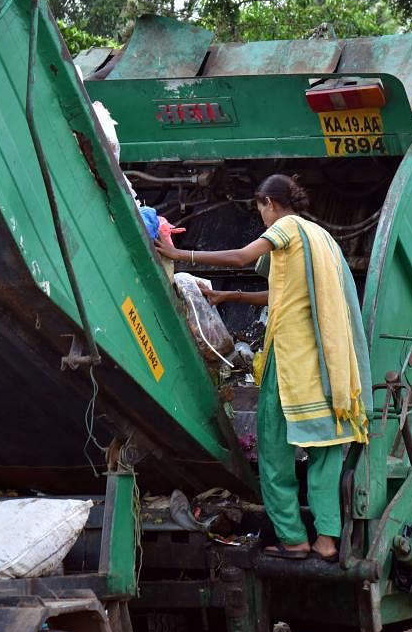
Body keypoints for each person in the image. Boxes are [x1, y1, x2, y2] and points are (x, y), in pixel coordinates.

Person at [156, 175, 371, 561]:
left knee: (274, 451)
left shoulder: (285, 227)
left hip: (290, 363)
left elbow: (240, 256)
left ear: (269, 202)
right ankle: (326, 541)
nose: (262, 219)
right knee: (325, 451)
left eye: (261, 210)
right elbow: (281, 293)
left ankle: (293, 538)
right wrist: (230, 295)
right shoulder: (320, 239)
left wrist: (180, 255)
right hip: (327, 366)